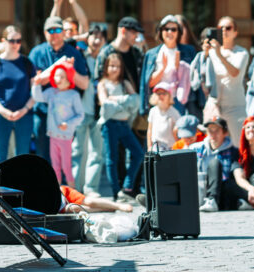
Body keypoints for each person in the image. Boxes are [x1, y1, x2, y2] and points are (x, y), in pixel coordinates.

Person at [28, 15, 89, 162]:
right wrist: (57, 69)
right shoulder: (37, 53)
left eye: (57, 30)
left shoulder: (74, 53)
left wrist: (70, 71)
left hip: (65, 116)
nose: (54, 33)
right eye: (50, 30)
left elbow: (85, 84)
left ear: (63, 32)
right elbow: (32, 83)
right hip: (42, 113)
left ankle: (60, 179)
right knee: (42, 158)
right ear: (45, 33)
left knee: (63, 158)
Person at [0, 26, 37, 164]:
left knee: (23, 157)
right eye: (12, 41)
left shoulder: (27, 62)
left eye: (18, 41)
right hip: (1, 115)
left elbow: (35, 92)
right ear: (4, 41)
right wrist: (2, 111)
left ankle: (21, 180)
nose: (15, 44)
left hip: (24, 115)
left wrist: (24, 110)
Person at [97, 51, 143, 202]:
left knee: (138, 153)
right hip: (109, 125)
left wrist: (116, 100)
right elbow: (105, 104)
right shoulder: (103, 84)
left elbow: (136, 100)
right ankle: (116, 192)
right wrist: (125, 103)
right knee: (112, 158)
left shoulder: (125, 83)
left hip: (124, 124)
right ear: (106, 67)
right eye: (111, 66)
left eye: (117, 66)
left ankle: (127, 186)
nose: (114, 69)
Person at [31, 66, 84, 185]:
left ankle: (72, 192)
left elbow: (80, 115)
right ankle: (58, 192)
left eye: (62, 76)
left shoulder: (73, 95)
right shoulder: (51, 92)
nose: (58, 78)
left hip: (66, 137)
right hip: (53, 136)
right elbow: (38, 97)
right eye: (56, 75)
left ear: (69, 79)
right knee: (55, 166)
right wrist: (36, 84)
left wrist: (68, 124)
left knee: (66, 167)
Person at [202, 17, 250, 141]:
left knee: (238, 144)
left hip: (235, 106)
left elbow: (234, 73)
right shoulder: (211, 52)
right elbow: (202, 76)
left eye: (228, 28)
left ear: (235, 32)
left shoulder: (242, 52)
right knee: (213, 143)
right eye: (220, 28)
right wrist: (205, 54)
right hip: (215, 106)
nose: (224, 30)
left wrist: (219, 54)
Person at [73, 25, 106, 195]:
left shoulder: (106, 59)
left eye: (101, 37)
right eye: (94, 36)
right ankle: (75, 189)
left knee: (97, 153)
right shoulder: (79, 56)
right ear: (87, 39)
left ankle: (91, 188)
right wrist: (81, 36)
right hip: (81, 110)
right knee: (77, 151)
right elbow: (67, 42)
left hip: (99, 113)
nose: (97, 40)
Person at [141, 14, 197, 112]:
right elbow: (149, 83)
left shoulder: (188, 51)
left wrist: (180, 67)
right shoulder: (152, 54)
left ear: (178, 32)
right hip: (159, 100)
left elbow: (194, 79)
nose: (170, 32)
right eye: (166, 29)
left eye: (173, 29)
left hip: (180, 102)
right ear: (161, 31)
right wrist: (163, 68)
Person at [195, 117, 240, 213]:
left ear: (225, 133)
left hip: (223, 193)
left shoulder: (234, 152)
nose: (213, 134)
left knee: (215, 163)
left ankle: (212, 200)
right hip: (200, 190)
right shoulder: (197, 149)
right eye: (210, 131)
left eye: (217, 131)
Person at [147, 81, 181, 152]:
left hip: (170, 147)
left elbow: (178, 132)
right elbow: (149, 130)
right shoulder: (153, 111)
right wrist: (149, 146)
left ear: (169, 96)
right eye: (158, 93)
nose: (161, 96)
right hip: (156, 146)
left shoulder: (174, 112)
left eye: (164, 93)